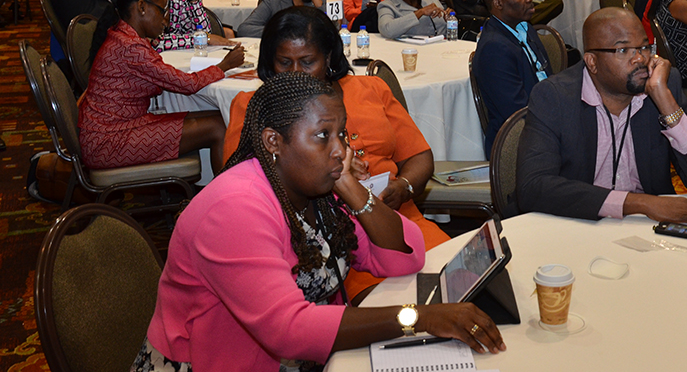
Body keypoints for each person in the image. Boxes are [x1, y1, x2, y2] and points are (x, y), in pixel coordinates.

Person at [137, 72, 503, 371]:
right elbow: (288, 329)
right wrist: (417, 318)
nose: (341, 149)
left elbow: (404, 256)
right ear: (273, 142)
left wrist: (349, 186)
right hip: (217, 363)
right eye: (323, 136)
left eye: (342, 134)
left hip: (305, 359)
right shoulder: (233, 209)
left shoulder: (315, 189)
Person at [221, 7, 451, 301]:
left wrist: (403, 187)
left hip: (398, 220)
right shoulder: (255, 108)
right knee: (410, 307)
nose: (295, 73)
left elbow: (419, 156)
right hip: (327, 239)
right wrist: (332, 175)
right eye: (284, 62)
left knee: (459, 285)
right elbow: (246, 188)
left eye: (307, 62)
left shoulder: (371, 89)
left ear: (328, 58)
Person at [516, 8, 687, 223]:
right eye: (623, 50)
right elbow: (532, 186)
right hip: (579, 223)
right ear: (592, 62)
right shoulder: (555, 96)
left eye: (644, 47)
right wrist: (639, 203)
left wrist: (666, 103)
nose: (640, 58)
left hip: (646, 228)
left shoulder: (663, 85)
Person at [79, 0, 243, 172]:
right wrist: (225, 65)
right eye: (162, 11)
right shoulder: (130, 47)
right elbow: (187, 84)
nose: (166, 20)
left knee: (219, 116)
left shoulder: (124, 37)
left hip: (118, 127)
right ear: (142, 7)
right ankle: (225, 190)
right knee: (218, 127)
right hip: (108, 142)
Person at [472, 0, 552, 155]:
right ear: (498, 3)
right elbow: (517, 112)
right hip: (519, 142)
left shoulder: (524, 28)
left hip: (543, 119)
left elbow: (547, 77)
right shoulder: (494, 48)